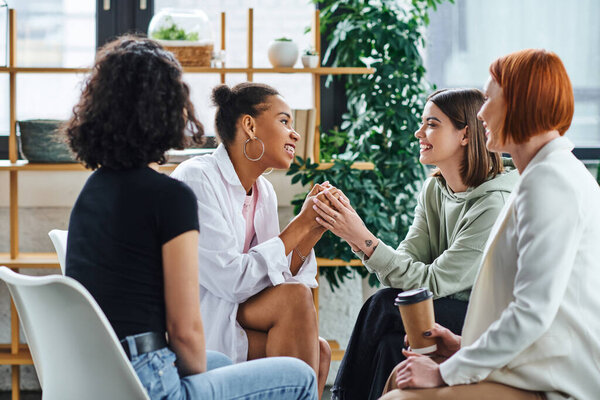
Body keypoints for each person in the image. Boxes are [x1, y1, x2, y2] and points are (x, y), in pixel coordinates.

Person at [64, 36, 318, 400]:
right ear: (169, 108)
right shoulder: (172, 196)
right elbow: (184, 332)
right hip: (149, 381)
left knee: (224, 360)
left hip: (94, 374)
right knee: (301, 377)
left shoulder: (91, 191)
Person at [381, 49, 600, 400]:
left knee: (399, 397)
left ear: (520, 104)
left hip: (557, 383)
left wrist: (446, 371)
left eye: (489, 100)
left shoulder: (550, 182)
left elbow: (532, 313)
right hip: (539, 368)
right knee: (399, 376)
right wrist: (462, 346)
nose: (481, 112)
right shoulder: (543, 175)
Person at [311, 88, 518, 400]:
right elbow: (408, 261)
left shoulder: (493, 203)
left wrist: (363, 239)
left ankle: (340, 396)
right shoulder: (434, 189)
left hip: (482, 317)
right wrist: (362, 240)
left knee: (384, 304)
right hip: (443, 305)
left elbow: (434, 281)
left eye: (432, 124)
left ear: (465, 134)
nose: (419, 132)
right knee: (389, 344)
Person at [171, 82, 332, 398]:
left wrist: (314, 227)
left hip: (236, 310)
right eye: (284, 121)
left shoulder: (263, 192)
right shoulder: (196, 177)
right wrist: (298, 226)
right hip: (199, 322)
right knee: (301, 311)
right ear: (249, 125)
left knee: (321, 349)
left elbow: (275, 279)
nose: (294, 134)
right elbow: (230, 280)